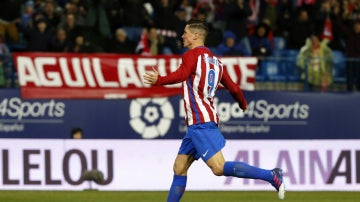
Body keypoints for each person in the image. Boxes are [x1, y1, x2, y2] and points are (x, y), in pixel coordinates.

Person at [143, 19, 285, 202]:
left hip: (200, 121)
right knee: (179, 167)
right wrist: (242, 103)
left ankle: (271, 175)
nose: (182, 36)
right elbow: (233, 87)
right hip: (200, 121)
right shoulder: (217, 62)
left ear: (195, 35)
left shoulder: (191, 55)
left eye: (185, 32)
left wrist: (159, 80)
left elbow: (182, 74)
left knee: (219, 167)